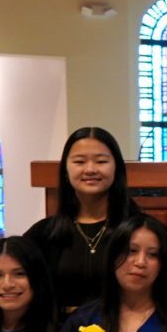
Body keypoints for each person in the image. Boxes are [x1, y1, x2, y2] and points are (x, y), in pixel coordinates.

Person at [25, 128, 136, 314]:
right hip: (60, 330)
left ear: (117, 168)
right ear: (66, 170)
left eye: (101, 161)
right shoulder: (43, 234)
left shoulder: (139, 229)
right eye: (79, 161)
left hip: (124, 328)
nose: (90, 169)